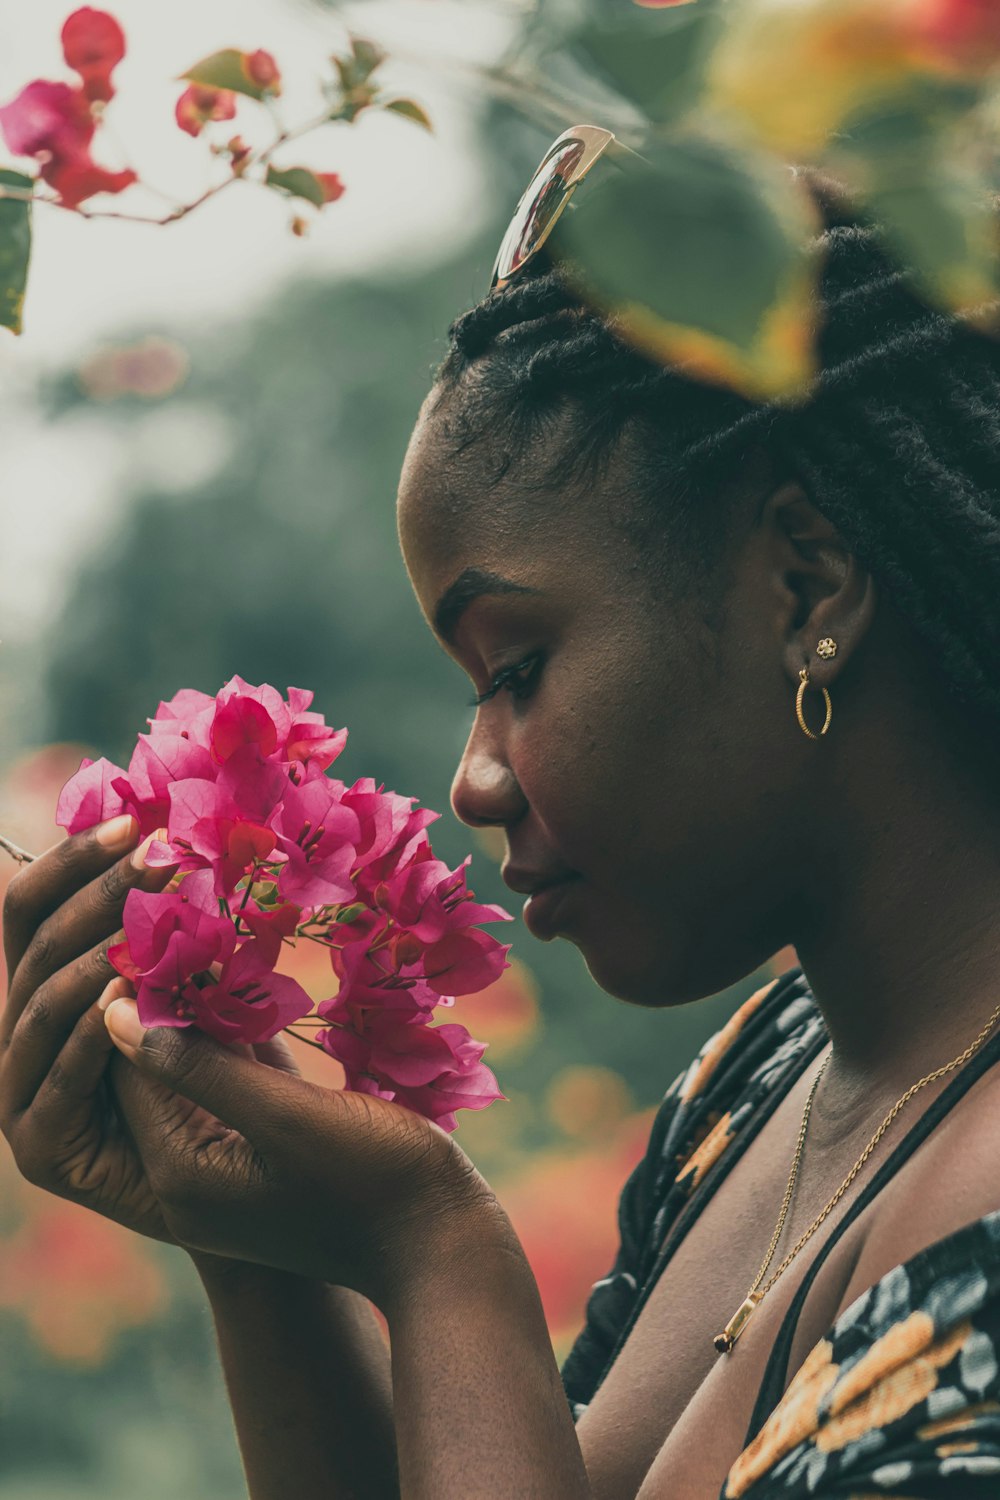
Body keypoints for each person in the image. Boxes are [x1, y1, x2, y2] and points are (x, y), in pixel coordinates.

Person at [3, 134, 1000, 1500]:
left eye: (517, 668)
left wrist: (437, 1248)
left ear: (809, 589)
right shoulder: (755, 1089)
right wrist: (256, 1249)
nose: (473, 778)